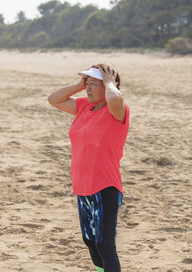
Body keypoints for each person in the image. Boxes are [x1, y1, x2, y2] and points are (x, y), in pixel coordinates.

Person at [48, 63, 130, 272]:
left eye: (95, 83)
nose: (89, 88)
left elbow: (115, 98)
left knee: (105, 244)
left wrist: (111, 83)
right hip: (82, 186)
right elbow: (53, 99)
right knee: (90, 242)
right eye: (88, 83)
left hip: (105, 186)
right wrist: (79, 84)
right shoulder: (84, 106)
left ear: (111, 85)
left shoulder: (117, 110)